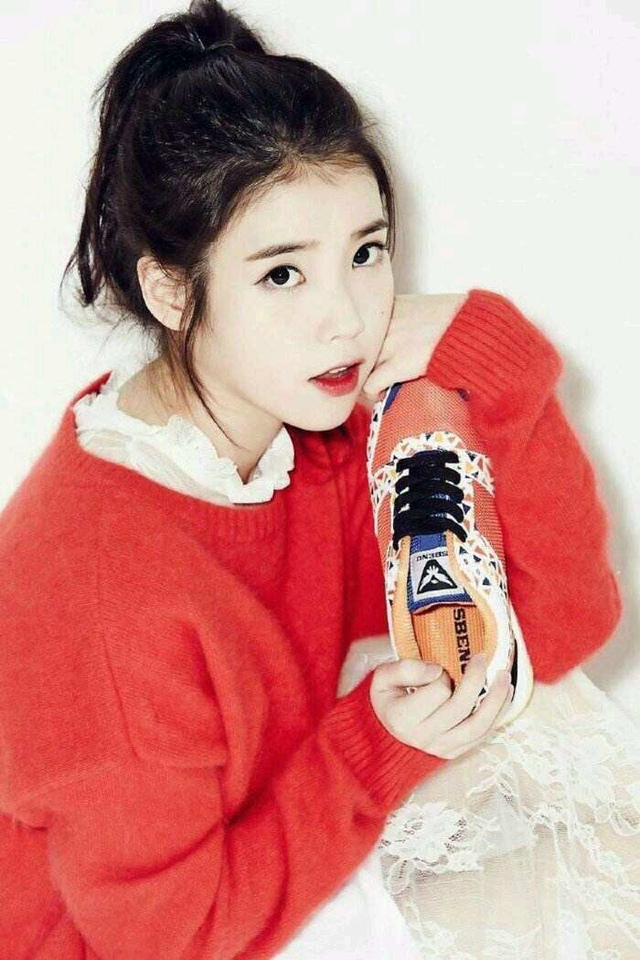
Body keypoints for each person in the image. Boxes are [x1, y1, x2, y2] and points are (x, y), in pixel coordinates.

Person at [0, 1, 637, 957]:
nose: (347, 318)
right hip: (137, 939)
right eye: (282, 275)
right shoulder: (99, 591)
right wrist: (371, 751)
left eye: (365, 253)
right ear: (171, 289)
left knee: (604, 840)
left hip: (275, 837)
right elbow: (168, 937)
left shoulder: (305, 435)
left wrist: (502, 365)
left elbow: (552, 631)